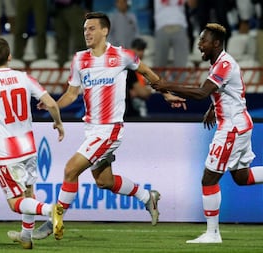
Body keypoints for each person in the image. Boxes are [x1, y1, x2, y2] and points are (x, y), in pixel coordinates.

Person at [32, 11, 186, 240]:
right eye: (85, 29)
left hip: (110, 129)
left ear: (105, 30)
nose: (87, 33)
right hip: (92, 130)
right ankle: (147, 196)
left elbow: (147, 72)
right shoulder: (79, 59)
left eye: (92, 28)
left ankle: (54, 218)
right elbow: (72, 94)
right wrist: (53, 104)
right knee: (104, 182)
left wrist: (166, 94)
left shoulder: (122, 55)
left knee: (70, 169)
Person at [151, 23, 263, 243]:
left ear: (216, 43)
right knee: (241, 177)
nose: (199, 45)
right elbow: (228, 92)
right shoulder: (220, 63)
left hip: (232, 128)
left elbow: (202, 92)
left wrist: (167, 85)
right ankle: (212, 233)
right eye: (200, 40)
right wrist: (213, 108)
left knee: (209, 178)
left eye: (203, 41)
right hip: (238, 124)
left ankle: (212, 234)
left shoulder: (224, 64)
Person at [0, 37, 65, 249]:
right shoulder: (25, 77)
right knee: (29, 192)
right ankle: (26, 236)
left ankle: (50, 210)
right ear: (10, 56)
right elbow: (51, 103)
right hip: (28, 146)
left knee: (15, 202)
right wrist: (58, 123)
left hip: (7, 151)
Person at [52, 0, 92, 67]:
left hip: (73, 7)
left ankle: (83, 64)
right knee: (60, 38)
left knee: (79, 38)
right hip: (58, 9)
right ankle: (61, 66)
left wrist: (88, 8)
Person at [153, 0, 190, 70]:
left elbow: (192, 5)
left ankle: (180, 81)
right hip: (162, 25)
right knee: (159, 65)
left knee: (181, 66)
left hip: (180, 24)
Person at [125, 37, 152, 119]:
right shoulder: (129, 67)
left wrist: (143, 92)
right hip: (129, 110)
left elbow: (141, 92)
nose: (141, 53)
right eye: (138, 49)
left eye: (142, 50)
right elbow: (142, 93)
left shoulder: (140, 68)